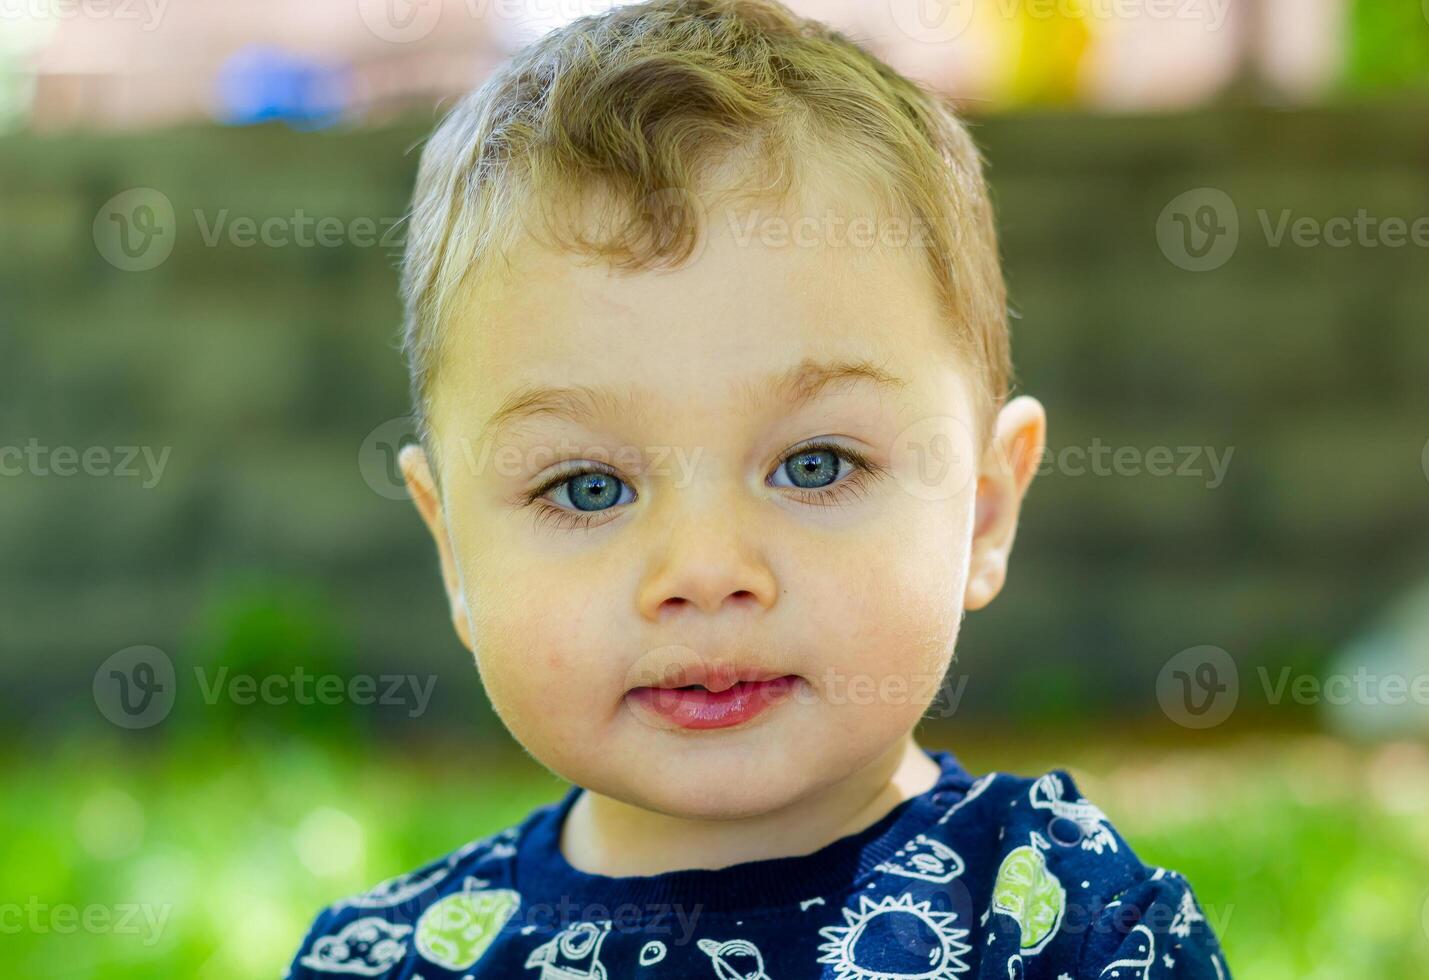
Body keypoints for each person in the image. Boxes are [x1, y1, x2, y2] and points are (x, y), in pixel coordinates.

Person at [286, 1, 1232, 975]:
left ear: (985, 506)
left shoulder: (1065, 929)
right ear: (454, 552)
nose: (704, 569)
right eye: (587, 485)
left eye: (814, 464)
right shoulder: (387, 958)